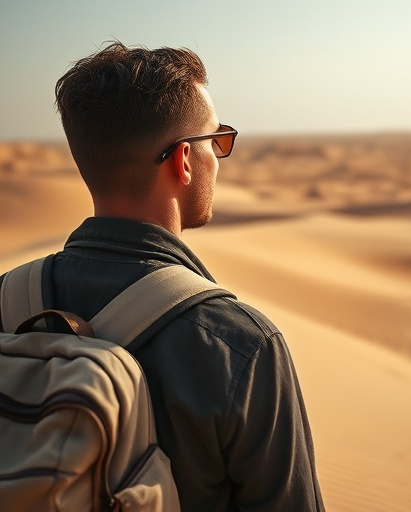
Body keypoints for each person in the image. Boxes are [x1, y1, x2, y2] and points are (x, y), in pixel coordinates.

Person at [0, 43, 324, 511]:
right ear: (184, 160)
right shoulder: (240, 345)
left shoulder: (7, 300)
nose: (219, 155)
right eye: (216, 140)